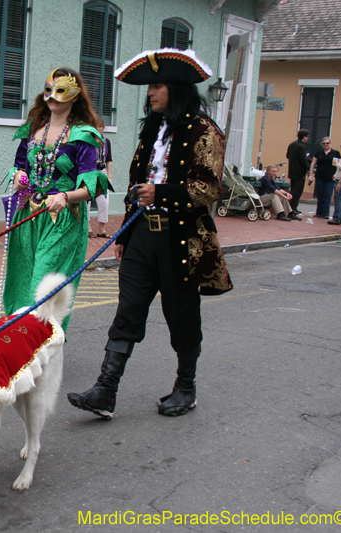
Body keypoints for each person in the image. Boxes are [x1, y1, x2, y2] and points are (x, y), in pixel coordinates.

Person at [67, 48, 232, 419]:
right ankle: (105, 390)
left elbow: (208, 189)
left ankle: (185, 387)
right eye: (150, 87)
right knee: (128, 311)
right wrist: (124, 235)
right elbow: (134, 182)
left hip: (181, 239)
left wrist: (163, 193)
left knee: (182, 315)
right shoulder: (153, 130)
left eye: (157, 86)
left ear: (176, 88)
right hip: (142, 235)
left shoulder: (206, 132)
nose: (150, 93)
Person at [5, 67, 110, 331]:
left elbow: (92, 187)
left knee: (44, 280)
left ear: (75, 96)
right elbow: (19, 165)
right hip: (28, 215)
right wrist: (17, 175)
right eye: (49, 89)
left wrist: (65, 196)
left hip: (63, 219)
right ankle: (20, 339)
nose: (53, 96)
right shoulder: (32, 130)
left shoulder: (84, 135)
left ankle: (44, 341)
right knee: (22, 277)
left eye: (61, 90)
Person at [89, 118, 113, 238]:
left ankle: (101, 229)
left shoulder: (106, 142)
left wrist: (109, 176)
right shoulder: (88, 140)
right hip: (89, 171)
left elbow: (109, 160)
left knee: (104, 201)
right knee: (87, 200)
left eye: (100, 127)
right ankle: (88, 227)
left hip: (101, 171)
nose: (99, 129)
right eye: (96, 126)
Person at [309, 137, 341, 219]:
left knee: (327, 195)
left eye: (327, 143)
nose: (326, 145)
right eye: (324, 143)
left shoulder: (335, 153)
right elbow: (313, 164)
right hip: (320, 176)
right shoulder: (318, 153)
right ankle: (319, 212)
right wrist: (310, 174)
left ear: (330, 143)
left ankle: (326, 213)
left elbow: (338, 165)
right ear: (322, 144)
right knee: (320, 195)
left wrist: (336, 174)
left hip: (330, 177)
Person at [286, 129, 310, 214]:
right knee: (297, 191)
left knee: (293, 190)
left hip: (292, 171)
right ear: (304, 136)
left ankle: (291, 207)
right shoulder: (302, 146)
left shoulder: (292, 144)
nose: (308, 138)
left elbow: (288, 156)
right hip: (300, 172)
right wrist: (307, 168)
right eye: (307, 136)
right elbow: (303, 161)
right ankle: (293, 208)